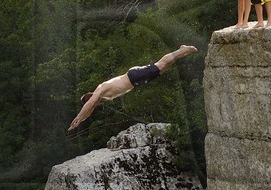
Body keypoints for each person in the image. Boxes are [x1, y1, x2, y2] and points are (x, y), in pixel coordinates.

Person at [68, 45, 198, 132]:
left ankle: (181, 50)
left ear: (91, 98)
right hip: (135, 80)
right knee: (161, 70)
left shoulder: (100, 90)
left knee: (160, 65)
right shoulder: (100, 97)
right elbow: (89, 109)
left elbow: (89, 105)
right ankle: (181, 54)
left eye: (92, 103)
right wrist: (79, 122)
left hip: (133, 76)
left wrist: (77, 118)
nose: (94, 106)